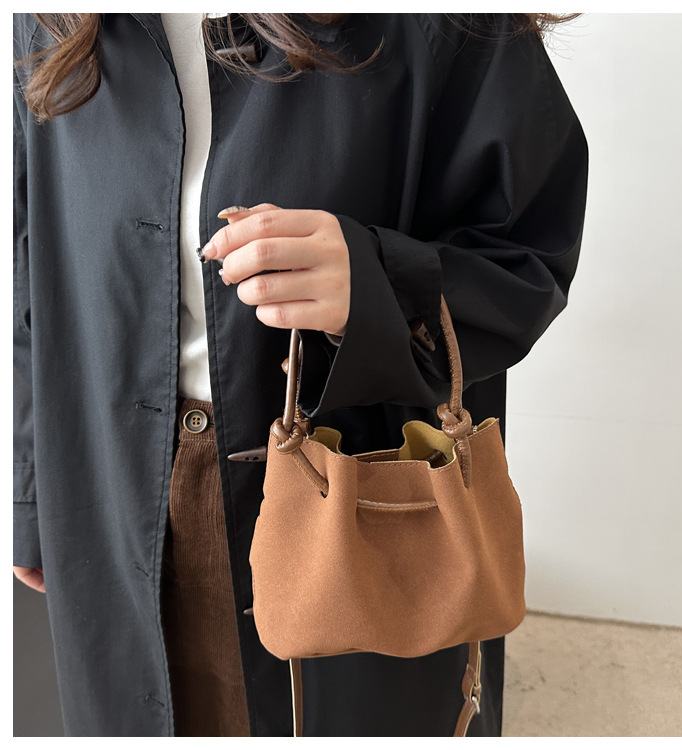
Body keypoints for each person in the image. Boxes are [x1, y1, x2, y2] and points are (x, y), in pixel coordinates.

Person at [13, 12, 588, 737]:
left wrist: (378, 284)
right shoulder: (49, 19)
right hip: (104, 481)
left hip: (358, 492)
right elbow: (28, 258)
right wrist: (29, 489)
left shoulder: (443, 21)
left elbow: (528, 256)